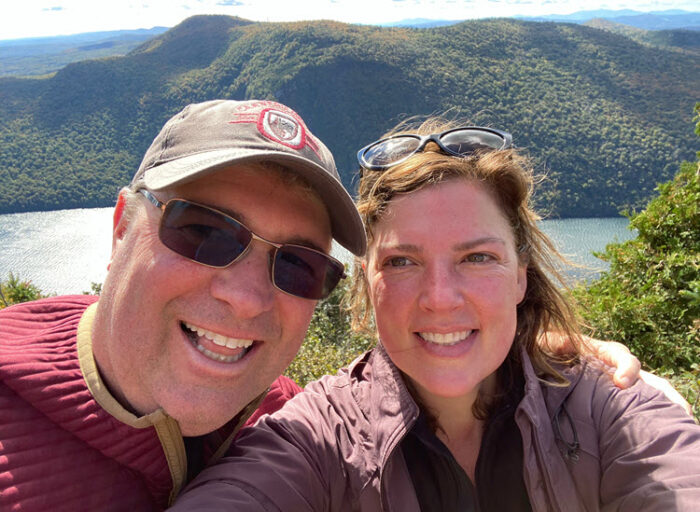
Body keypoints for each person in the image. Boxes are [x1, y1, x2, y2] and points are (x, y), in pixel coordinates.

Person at [172, 119, 700, 511]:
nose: (441, 297)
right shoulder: (318, 438)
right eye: (402, 261)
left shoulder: (609, 406)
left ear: (521, 275)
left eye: (477, 258)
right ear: (368, 287)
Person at [0, 99, 367, 511]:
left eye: (299, 265)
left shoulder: (298, 424)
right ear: (122, 228)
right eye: (204, 232)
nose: (247, 300)